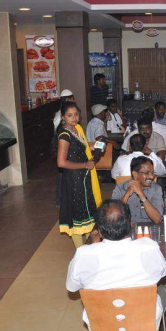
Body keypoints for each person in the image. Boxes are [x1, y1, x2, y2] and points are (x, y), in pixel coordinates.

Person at [66, 200, 166, 331]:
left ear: (99, 230)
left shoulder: (83, 254)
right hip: (144, 329)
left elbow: (72, 287)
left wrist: (93, 247)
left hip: (103, 330)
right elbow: (163, 273)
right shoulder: (149, 247)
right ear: (131, 223)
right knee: (163, 291)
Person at [56, 103, 102, 247]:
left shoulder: (77, 129)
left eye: (76, 114)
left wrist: (96, 145)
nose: (74, 118)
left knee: (87, 212)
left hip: (83, 177)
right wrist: (84, 165)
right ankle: (81, 251)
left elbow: (82, 147)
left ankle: (91, 247)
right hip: (74, 179)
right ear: (63, 117)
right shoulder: (64, 136)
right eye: (69, 115)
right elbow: (61, 163)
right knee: (78, 215)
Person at [111, 157, 164, 223]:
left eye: (152, 173)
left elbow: (157, 219)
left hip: (148, 228)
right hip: (126, 228)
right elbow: (112, 217)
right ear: (135, 174)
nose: (151, 176)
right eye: (146, 173)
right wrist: (127, 195)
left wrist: (142, 195)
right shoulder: (120, 188)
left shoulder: (156, 189)